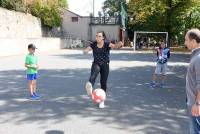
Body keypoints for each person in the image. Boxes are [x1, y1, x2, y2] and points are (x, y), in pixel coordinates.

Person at [83, 31, 123, 108]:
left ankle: (102, 101)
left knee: (103, 83)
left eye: (99, 36)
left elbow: (115, 46)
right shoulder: (94, 44)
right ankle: (90, 86)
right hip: (96, 63)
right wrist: (85, 51)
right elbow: (88, 48)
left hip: (105, 65)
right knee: (93, 75)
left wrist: (119, 44)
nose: (97, 37)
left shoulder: (107, 44)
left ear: (103, 37)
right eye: (96, 36)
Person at [185, 28, 200, 134]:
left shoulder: (199, 57)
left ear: (194, 41)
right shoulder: (195, 55)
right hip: (193, 100)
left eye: (186, 40)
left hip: (196, 103)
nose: (185, 42)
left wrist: (197, 103)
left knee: (195, 130)